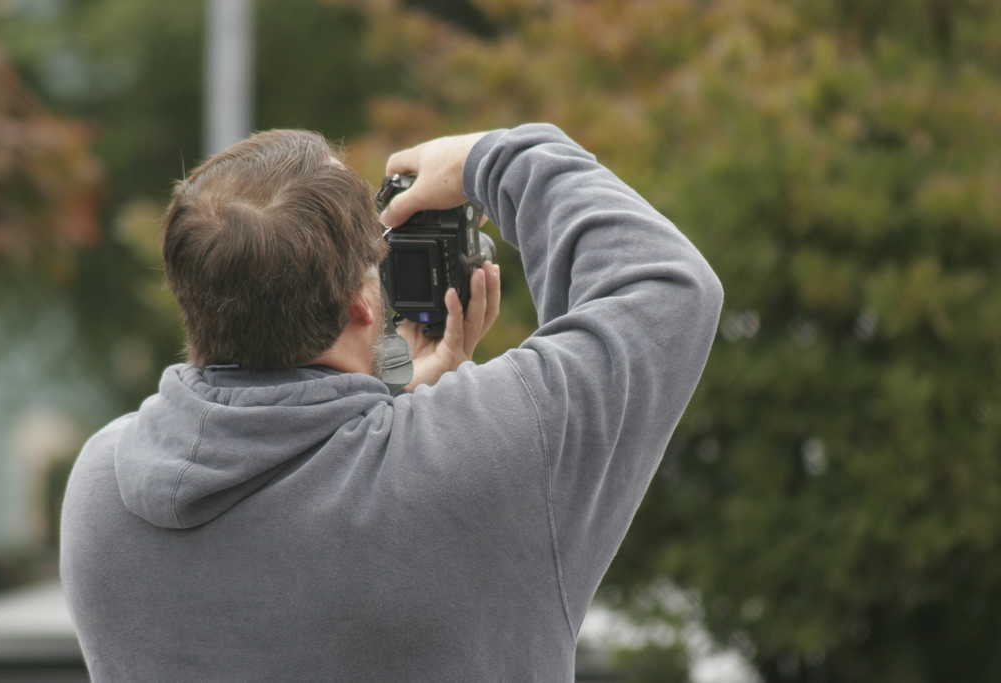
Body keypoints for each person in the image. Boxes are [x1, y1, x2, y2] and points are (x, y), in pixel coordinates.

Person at [61, 123, 723, 682]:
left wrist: (387, 403)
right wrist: (493, 158)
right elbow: (669, 288)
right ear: (360, 303)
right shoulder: (479, 459)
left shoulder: (102, 488)